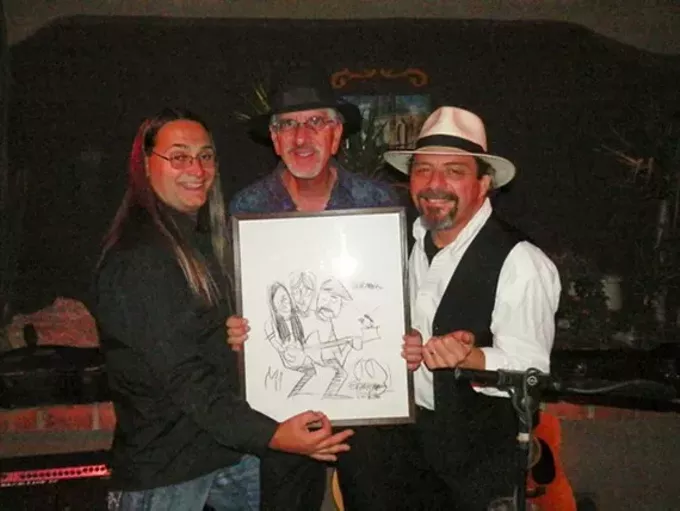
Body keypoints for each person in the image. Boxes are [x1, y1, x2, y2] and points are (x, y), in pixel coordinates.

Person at [93, 107, 353, 511]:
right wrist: (272, 435)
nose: (196, 169)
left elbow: (189, 339)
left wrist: (227, 333)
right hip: (167, 471)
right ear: (145, 164)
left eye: (205, 156)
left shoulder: (190, 242)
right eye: (178, 156)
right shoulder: (141, 257)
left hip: (217, 453)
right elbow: (184, 377)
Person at [226, 66, 423, 511]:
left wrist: (408, 336)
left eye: (316, 122)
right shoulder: (247, 207)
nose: (302, 137)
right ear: (274, 139)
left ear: (336, 136)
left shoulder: (378, 202)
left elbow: (397, 298)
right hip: (282, 406)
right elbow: (232, 299)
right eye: (288, 125)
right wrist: (233, 329)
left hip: (368, 403)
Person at [380, 106, 562, 510]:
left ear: (484, 184)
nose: (435, 184)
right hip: (409, 449)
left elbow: (532, 373)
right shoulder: (401, 243)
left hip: (480, 463)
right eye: (424, 170)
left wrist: (472, 356)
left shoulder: (521, 262)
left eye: (454, 172)